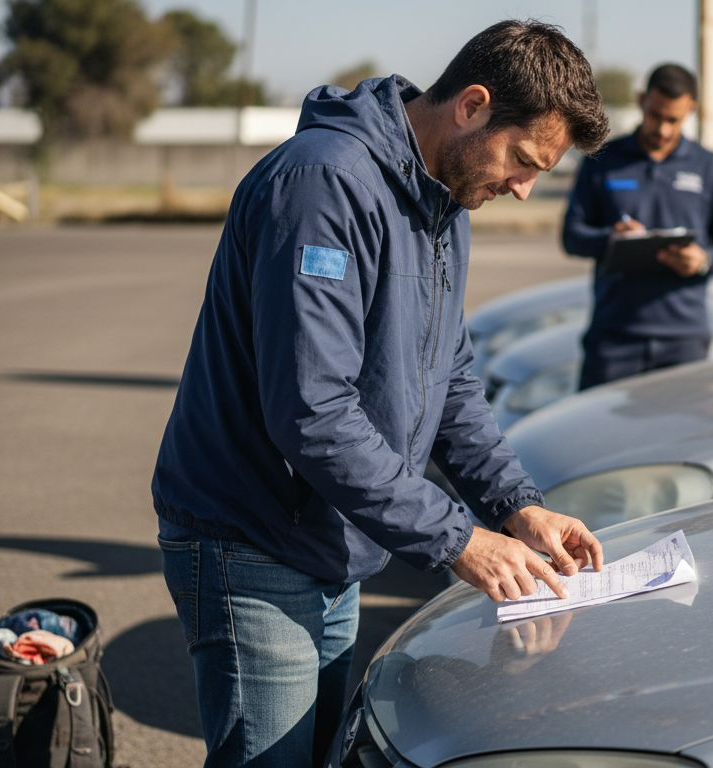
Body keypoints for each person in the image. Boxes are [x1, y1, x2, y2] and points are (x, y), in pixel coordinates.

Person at [150, 21, 609, 768]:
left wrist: (518, 507)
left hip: (334, 537)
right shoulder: (323, 184)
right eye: (523, 159)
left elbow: (449, 382)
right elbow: (314, 413)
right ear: (472, 105)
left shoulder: (442, 202)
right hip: (253, 540)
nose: (525, 186)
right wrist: (458, 539)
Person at [562, 63, 713, 390]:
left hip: (683, 341)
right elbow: (572, 236)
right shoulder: (603, 160)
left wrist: (703, 260)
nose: (662, 129)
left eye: (673, 119)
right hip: (614, 337)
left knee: (679, 440)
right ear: (642, 100)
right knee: (598, 439)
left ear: (691, 109)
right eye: (655, 115)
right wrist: (610, 239)